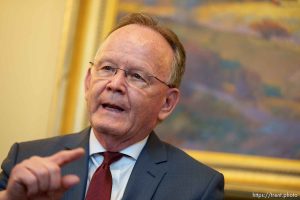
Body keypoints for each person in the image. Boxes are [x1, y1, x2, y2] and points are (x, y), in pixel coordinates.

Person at [0, 13, 224, 200]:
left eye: (136, 76)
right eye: (107, 68)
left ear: (167, 103)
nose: (115, 84)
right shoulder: (25, 160)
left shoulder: (198, 188)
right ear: (88, 82)